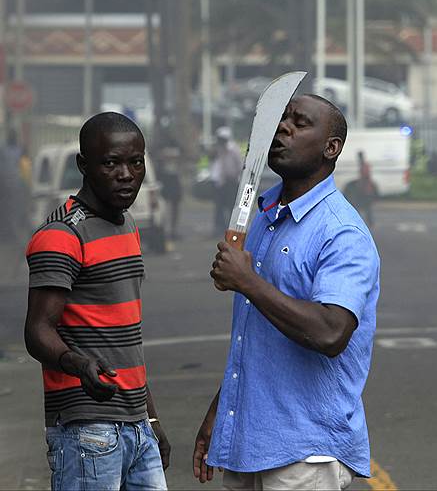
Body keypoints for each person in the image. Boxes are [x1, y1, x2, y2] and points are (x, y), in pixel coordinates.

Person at [193, 94, 380, 490]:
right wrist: (222, 409)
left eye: (300, 122)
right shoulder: (264, 216)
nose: (283, 128)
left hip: (305, 451)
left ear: (331, 148)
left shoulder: (341, 232)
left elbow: (331, 333)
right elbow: (255, 340)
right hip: (248, 439)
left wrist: (248, 282)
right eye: (282, 119)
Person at [25, 112, 170, 491]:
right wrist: (79, 364)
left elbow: (126, 340)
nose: (126, 174)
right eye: (111, 163)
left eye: (135, 162)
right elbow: (37, 330)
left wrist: (151, 422)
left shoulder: (129, 226)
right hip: (86, 430)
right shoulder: (61, 235)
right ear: (83, 165)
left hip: (136, 426)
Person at [210, 126, 243, 236]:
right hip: (222, 182)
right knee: (219, 206)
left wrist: (234, 176)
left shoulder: (233, 149)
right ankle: (220, 227)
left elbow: (240, 165)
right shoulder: (220, 149)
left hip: (232, 181)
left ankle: (232, 228)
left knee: (231, 206)